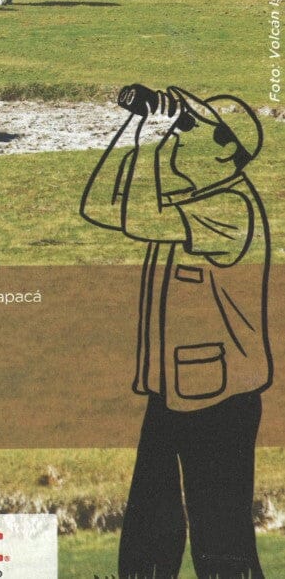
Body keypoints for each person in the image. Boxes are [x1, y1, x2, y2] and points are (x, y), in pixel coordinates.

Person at [80, 84, 272, 579]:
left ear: (225, 150)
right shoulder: (188, 198)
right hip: (172, 387)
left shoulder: (231, 209)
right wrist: (138, 126)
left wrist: (154, 134)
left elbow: (135, 214)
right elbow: (101, 206)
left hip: (220, 396)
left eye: (188, 127)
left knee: (220, 533)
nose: (177, 135)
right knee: (151, 520)